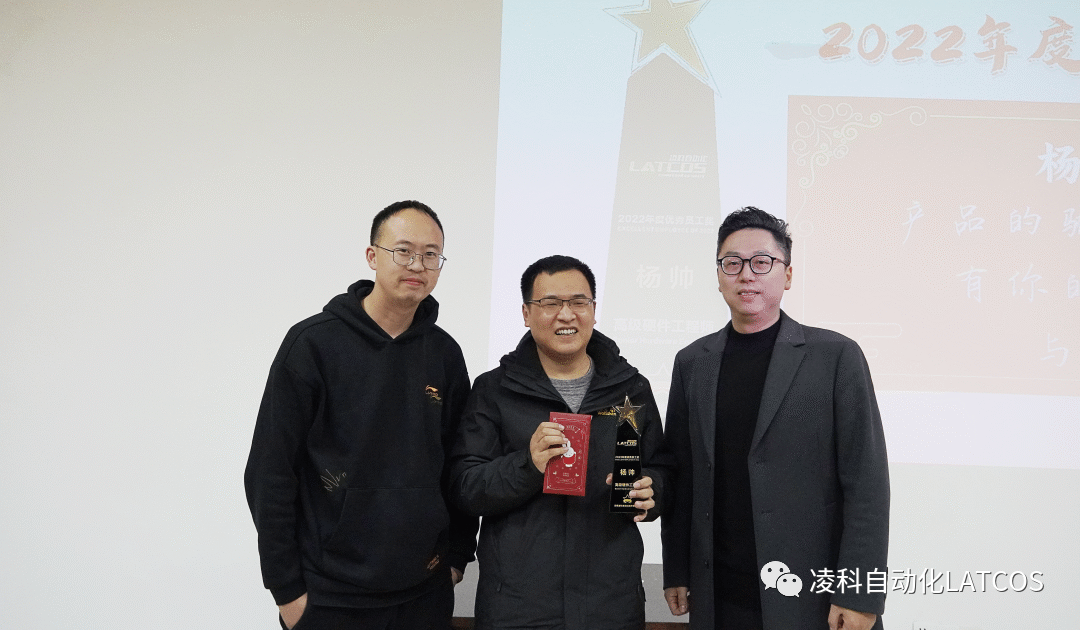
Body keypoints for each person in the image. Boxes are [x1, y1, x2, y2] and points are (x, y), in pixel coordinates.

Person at [245, 200, 477, 630]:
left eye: (431, 254)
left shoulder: (445, 354)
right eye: (403, 251)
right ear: (372, 256)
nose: (418, 264)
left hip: (423, 593)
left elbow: (459, 462)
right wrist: (287, 591)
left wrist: (458, 557)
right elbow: (270, 471)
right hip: (330, 596)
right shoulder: (312, 345)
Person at [661, 207, 890, 630]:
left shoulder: (836, 356)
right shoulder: (692, 362)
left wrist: (859, 593)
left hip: (813, 595)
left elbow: (867, 484)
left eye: (762, 262)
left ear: (787, 275)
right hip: (721, 594)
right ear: (718, 276)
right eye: (732, 263)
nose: (746, 274)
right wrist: (676, 568)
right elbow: (682, 473)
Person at [451, 255, 672, 630]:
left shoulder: (631, 390)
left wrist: (654, 491)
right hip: (518, 610)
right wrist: (528, 464)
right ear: (526, 313)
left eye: (578, 302)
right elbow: (466, 486)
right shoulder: (494, 390)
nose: (566, 315)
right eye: (550, 303)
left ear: (594, 310)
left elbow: (662, 469)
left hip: (611, 607)